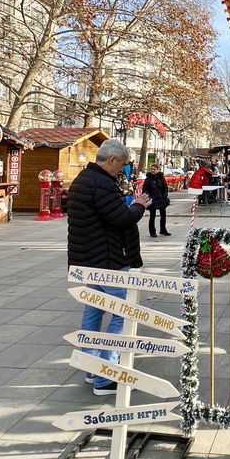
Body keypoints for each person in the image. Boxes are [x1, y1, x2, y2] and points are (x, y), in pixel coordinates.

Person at [67, 139, 151, 396]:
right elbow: (121, 219)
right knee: (123, 312)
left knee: (94, 311)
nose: (123, 170)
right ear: (112, 160)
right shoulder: (101, 183)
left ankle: (92, 369)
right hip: (107, 260)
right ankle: (107, 375)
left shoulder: (85, 179)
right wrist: (139, 206)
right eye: (123, 164)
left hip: (89, 259)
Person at [142, 163, 171, 237]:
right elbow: (145, 189)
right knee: (152, 216)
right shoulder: (148, 179)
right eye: (151, 169)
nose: (152, 170)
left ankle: (163, 229)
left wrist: (164, 195)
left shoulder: (161, 178)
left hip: (161, 199)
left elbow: (165, 187)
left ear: (158, 170)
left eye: (154, 169)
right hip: (152, 199)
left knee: (163, 215)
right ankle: (152, 231)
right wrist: (148, 197)